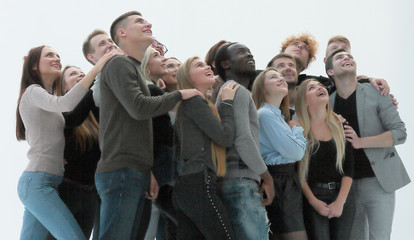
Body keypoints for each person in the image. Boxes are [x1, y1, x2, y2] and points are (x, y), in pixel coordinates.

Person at [94, 11, 201, 240]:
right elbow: (138, 107)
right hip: (121, 169)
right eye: (139, 21)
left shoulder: (132, 68)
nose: (148, 23)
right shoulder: (118, 64)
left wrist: (148, 171)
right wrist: (179, 95)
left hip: (136, 171)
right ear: (121, 33)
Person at [16, 45, 119, 240]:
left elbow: (47, 132)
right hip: (37, 183)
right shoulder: (32, 92)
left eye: (57, 55)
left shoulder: (47, 100)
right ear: (34, 67)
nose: (56, 58)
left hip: (48, 183)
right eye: (49, 55)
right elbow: (65, 104)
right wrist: (97, 68)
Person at [326, 49, 410, 240]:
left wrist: (360, 142)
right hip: (346, 187)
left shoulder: (377, 92)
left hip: (378, 182)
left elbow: (399, 133)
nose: (347, 58)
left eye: (349, 56)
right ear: (330, 71)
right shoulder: (327, 103)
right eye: (339, 57)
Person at [174, 56, 239, 240]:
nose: (207, 67)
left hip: (188, 186)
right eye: (198, 65)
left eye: (205, 64)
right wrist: (226, 102)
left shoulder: (191, 104)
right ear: (188, 77)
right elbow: (225, 138)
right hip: (198, 185)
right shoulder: (194, 102)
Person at [214, 42, 275, 240]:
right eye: (241, 52)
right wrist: (266, 176)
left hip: (232, 182)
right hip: (241, 183)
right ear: (226, 64)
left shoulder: (228, 91)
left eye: (250, 51)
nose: (249, 54)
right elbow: (242, 138)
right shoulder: (235, 89)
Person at [252, 68, 307, 240]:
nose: (281, 79)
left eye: (281, 77)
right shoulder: (265, 114)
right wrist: (297, 128)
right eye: (273, 77)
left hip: (287, 180)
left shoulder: (277, 116)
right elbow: (296, 152)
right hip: (280, 180)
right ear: (262, 88)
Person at [296, 78, 355, 240]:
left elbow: (349, 167)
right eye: (311, 88)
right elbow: (299, 172)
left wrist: (340, 202)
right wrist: (313, 201)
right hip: (315, 197)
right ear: (304, 100)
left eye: (320, 86)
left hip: (342, 197)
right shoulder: (298, 129)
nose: (319, 88)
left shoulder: (340, 125)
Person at [46, 66, 100, 240]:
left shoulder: (94, 113)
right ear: (64, 87)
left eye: (81, 72)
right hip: (66, 190)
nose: (81, 74)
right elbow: (70, 122)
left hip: (90, 194)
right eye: (73, 74)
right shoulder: (60, 112)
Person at [82, 29, 118, 108]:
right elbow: (100, 101)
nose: (110, 45)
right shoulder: (98, 83)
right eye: (102, 44)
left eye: (111, 41)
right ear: (91, 57)